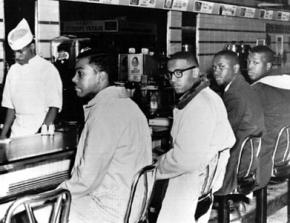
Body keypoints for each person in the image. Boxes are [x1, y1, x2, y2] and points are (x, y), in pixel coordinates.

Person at [58, 49, 152, 223]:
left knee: (33, 210)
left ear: (101, 76)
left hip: (109, 211)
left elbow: (86, 180)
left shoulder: (104, 113)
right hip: (134, 207)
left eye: (80, 73)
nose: (73, 79)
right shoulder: (130, 106)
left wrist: (55, 193)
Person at [155, 51, 235, 223]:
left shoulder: (198, 106)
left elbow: (184, 159)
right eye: (170, 74)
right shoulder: (210, 97)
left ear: (195, 72)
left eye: (178, 73)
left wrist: (156, 165)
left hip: (187, 188)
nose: (173, 79)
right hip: (204, 187)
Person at [212, 50, 264, 195]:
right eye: (214, 68)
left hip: (236, 163)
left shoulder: (234, 94)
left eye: (221, 67)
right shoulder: (242, 86)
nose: (216, 72)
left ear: (235, 68)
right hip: (248, 158)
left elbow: (225, 133)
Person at [0, 18, 62, 138]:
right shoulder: (13, 70)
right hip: (16, 133)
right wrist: (2, 136)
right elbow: (10, 107)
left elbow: (54, 106)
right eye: (14, 53)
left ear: (32, 46)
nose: (17, 56)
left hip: (39, 130)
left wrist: (41, 134)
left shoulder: (47, 69)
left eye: (20, 52)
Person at [247, 45, 290, 189]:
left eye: (255, 63)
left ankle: (234, 201)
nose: (249, 67)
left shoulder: (256, 91)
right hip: (285, 158)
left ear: (268, 66)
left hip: (266, 163)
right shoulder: (285, 83)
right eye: (248, 62)